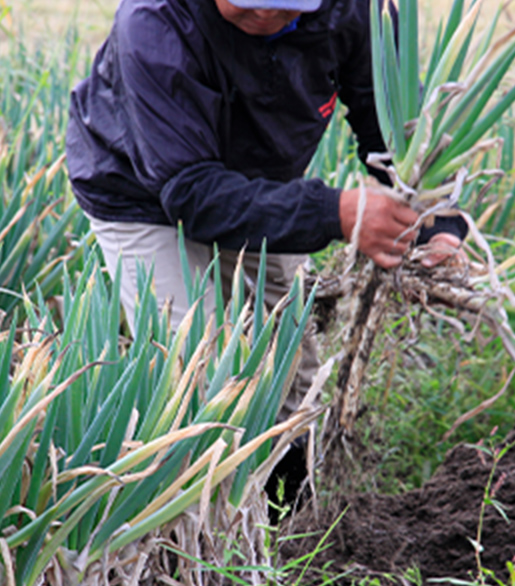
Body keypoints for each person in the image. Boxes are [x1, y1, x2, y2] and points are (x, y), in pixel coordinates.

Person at [66, 0, 468, 511]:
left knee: (290, 371)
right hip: (144, 194)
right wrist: (336, 213)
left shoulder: (350, 10)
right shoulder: (155, 22)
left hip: (263, 188)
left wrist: (440, 224)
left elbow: (390, 126)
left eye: (283, 8)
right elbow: (189, 191)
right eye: (247, 3)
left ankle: (288, 533)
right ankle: (200, 535)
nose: (262, 18)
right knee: (205, 371)